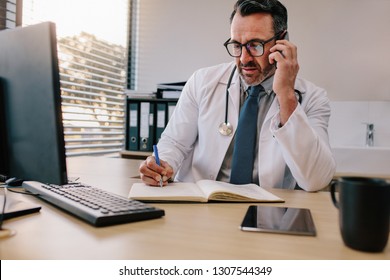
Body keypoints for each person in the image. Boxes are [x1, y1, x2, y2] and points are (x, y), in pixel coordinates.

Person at [139, 0, 336, 192]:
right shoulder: (202, 82)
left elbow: (316, 180)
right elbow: (175, 143)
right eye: (237, 45)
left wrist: (286, 96)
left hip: (268, 213)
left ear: (281, 40)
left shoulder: (312, 98)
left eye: (255, 45)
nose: (244, 58)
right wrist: (162, 165)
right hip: (200, 208)